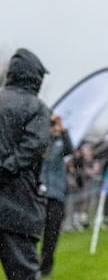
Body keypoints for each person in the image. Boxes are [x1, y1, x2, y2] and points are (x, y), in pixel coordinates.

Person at [0, 48, 51, 280]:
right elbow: (33, 147)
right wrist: (7, 167)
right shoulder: (36, 107)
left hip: (14, 202)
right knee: (23, 274)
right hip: (18, 205)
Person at [38, 114, 74, 277]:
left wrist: (62, 130)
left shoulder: (61, 142)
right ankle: (31, 263)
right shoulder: (40, 141)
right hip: (39, 193)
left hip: (56, 193)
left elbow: (70, 150)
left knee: (51, 233)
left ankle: (46, 266)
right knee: (33, 231)